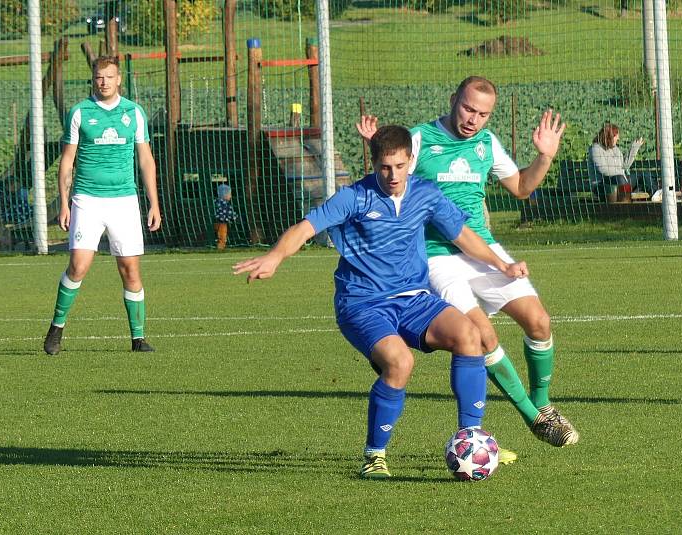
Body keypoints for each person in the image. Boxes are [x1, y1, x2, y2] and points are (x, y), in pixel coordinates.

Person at [233, 125, 528, 479]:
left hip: (414, 299)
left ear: (410, 161)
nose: (393, 175)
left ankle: (471, 437)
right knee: (400, 363)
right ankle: (374, 455)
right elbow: (306, 227)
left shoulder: (426, 194)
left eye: (400, 166)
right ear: (373, 163)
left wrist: (502, 264)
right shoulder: (354, 197)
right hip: (363, 303)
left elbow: (463, 235)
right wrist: (275, 257)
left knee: (471, 336)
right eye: (385, 167)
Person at [357, 77, 579, 456]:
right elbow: (388, 176)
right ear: (452, 100)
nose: (473, 119)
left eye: (482, 114)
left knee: (539, 321)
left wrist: (545, 156)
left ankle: (543, 403)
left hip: (482, 248)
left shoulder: (486, 143)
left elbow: (523, 187)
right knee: (483, 335)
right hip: (435, 256)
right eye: (468, 109)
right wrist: (375, 146)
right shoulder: (420, 139)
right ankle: (533, 418)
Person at [43, 55, 161, 355]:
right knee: (78, 265)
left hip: (124, 200)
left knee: (130, 270)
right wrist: (65, 203)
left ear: (119, 79)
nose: (104, 82)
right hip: (87, 199)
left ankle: (138, 339)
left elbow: (146, 159)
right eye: (99, 77)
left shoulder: (133, 113)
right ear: (92, 79)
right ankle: (56, 328)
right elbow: (67, 160)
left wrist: (153, 203)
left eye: (109, 76)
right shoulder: (80, 112)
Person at [587, 122, 645, 200]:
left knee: (642, 175)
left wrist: (634, 147)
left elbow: (625, 166)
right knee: (620, 178)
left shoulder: (615, 149)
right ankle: (625, 202)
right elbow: (604, 170)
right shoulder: (595, 149)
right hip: (602, 186)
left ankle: (657, 194)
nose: (618, 138)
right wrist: (621, 174)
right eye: (616, 136)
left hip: (620, 183)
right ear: (609, 137)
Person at [0, 175, 32, 250]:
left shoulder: (8, 192)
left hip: (0, 212)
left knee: (2, 231)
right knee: (3, 231)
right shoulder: (1, 194)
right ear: (9, 185)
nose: (17, 189)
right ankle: (9, 245)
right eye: (15, 187)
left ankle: (1, 247)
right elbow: (1, 206)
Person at [213, 184, 238, 250]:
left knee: (217, 236)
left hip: (215, 221)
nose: (230, 196)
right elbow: (229, 213)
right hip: (222, 223)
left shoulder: (215, 202)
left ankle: (217, 246)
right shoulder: (225, 204)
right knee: (222, 237)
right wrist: (234, 217)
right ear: (225, 195)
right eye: (229, 194)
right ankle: (220, 248)